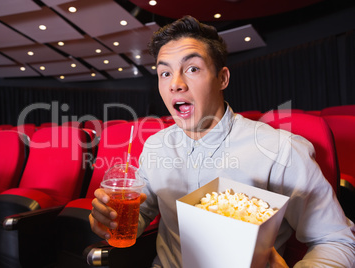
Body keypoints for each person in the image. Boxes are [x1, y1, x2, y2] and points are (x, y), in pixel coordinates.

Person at [90, 16, 355, 267]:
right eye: (165, 73)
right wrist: (109, 221)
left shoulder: (281, 150)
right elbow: (140, 216)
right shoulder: (155, 146)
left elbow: (336, 240)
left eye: (192, 68)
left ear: (223, 78)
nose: (175, 84)